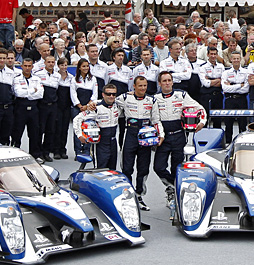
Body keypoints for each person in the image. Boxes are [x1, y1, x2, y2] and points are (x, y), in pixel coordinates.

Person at [151, 71, 205, 207]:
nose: (167, 83)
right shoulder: (154, 98)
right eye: (164, 81)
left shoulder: (181, 95)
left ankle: (175, 195)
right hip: (163, 137)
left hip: (179, 136)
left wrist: (202, 122)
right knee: (158, 167)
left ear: (172, 82)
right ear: (159, 83)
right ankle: (173, 186)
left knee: (177, 168)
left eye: (169, 80)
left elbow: (200, 108)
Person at [116, 76, 156, 210]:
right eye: (140, 86)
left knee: (143, 168)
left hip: (146, 136)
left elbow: (156, 120)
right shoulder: (125, 98)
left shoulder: (152, 100)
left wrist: (159, 134)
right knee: (127, 168)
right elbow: (109, 101)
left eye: (145, 85)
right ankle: (127, 195)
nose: (143, 88)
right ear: (134, 86)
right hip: (130, 134)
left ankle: (139, 195)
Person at [76, 83, 119, 170]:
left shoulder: (118, 105)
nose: (111, 96)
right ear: (103, 94)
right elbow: (77, 119)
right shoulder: (95, 107)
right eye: (108, 94)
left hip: (113, 142)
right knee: (100, 170)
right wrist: (79, 135)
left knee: (112, 170)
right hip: (101, 144)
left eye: (114, 94)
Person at [12, 58, 42, 151]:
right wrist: (33, 91)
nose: (27, 68)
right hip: (20, 107)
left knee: (34, 132)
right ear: (21, 66)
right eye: (25, 66)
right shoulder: (17, 79)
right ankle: (15, 152)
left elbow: (40, 94)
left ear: (33, 67)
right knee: (17, 131)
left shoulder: (37, 79)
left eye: (29, 66)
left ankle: (34, 154)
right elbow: (18, 93)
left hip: (33, 107)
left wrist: (27, 94)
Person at [220, 51, 250, 142]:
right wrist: (239, 85)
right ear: (231, 60)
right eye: (234, 58)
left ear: (240, 59)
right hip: (229, 100)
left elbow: (246, 89)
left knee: (242, 124)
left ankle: (243, 142)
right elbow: (225, 88)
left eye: (238, 58)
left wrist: (231, 85)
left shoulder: (246, 72)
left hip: (242, 99)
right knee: (228, 124)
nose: (236, 60)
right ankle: (228, 142)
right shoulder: (226, 73)